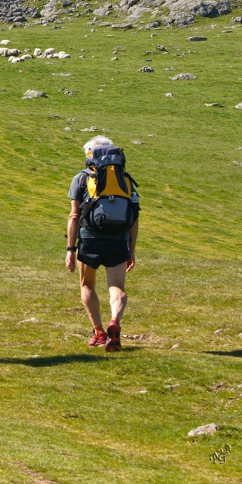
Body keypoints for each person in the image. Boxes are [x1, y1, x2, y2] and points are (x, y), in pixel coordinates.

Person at [66, 135, 140, 353]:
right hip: (118, 240)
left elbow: (73, 215)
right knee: (116, 287)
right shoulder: (125, 180)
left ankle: (99, 332)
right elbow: (133, 218)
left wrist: (71, 249)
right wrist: (131, 250)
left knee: (87, 284)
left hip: (90, 239)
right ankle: (115, 320)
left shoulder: (81, 179)